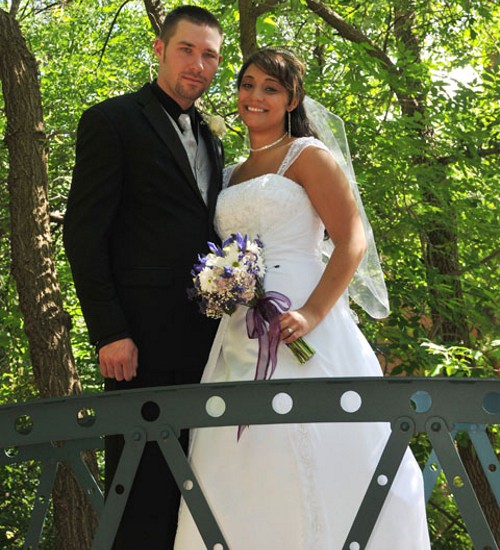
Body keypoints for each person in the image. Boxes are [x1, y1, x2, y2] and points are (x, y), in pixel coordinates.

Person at [173, 48, 431, 549]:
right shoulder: (231, 172)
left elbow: (352, 239)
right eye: (248, 85)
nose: (255, 97)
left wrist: (312, 312)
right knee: (244, 453)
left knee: (329, 442)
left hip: (305, 320)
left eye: (270, 88)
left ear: (292, 98)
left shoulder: (309, 156)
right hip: (241, 330)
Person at [63, 6, 224, 549]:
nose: (198, 65)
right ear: (159, 49)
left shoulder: (215, 137)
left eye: (210, 56)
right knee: (140, 486)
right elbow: (84, 236)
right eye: (187, 49)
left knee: (201, 482)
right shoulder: (112, 121)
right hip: (139, 340)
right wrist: (110, 330)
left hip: (208, 341)